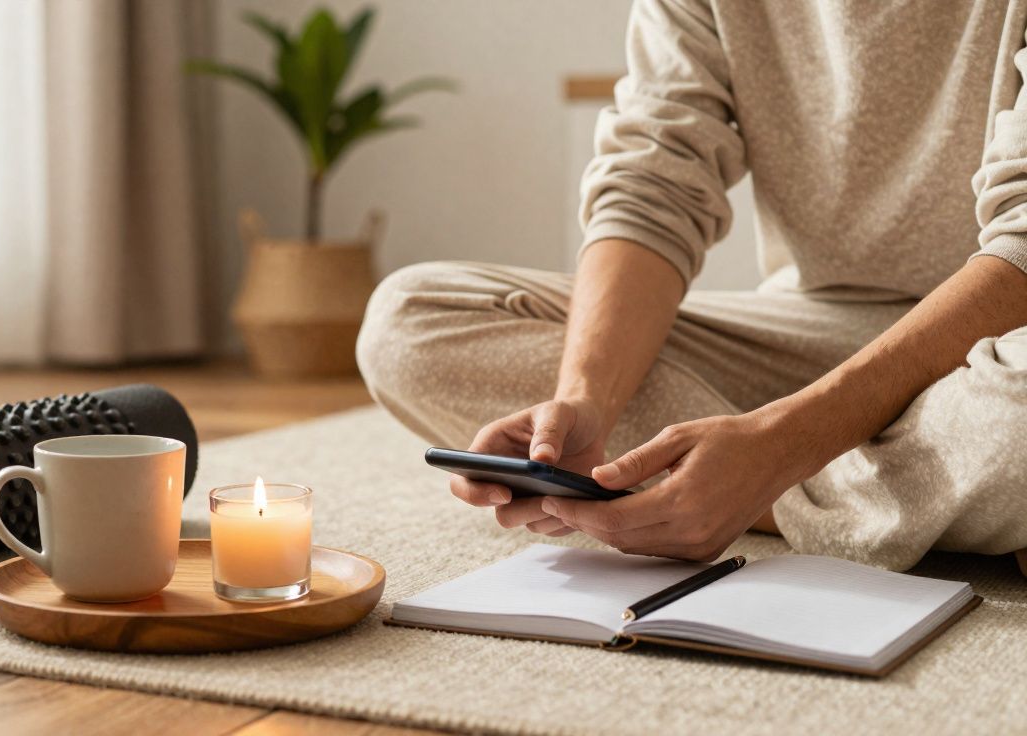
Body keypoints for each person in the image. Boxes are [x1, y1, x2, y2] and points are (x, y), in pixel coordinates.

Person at [356, 0, 1027, 571]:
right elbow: (651, 190)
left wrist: (779, 448)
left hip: (1003, 336)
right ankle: (909, 499)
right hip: (804, 334)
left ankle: (744, 488)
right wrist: (587, 401)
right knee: (409, 322)